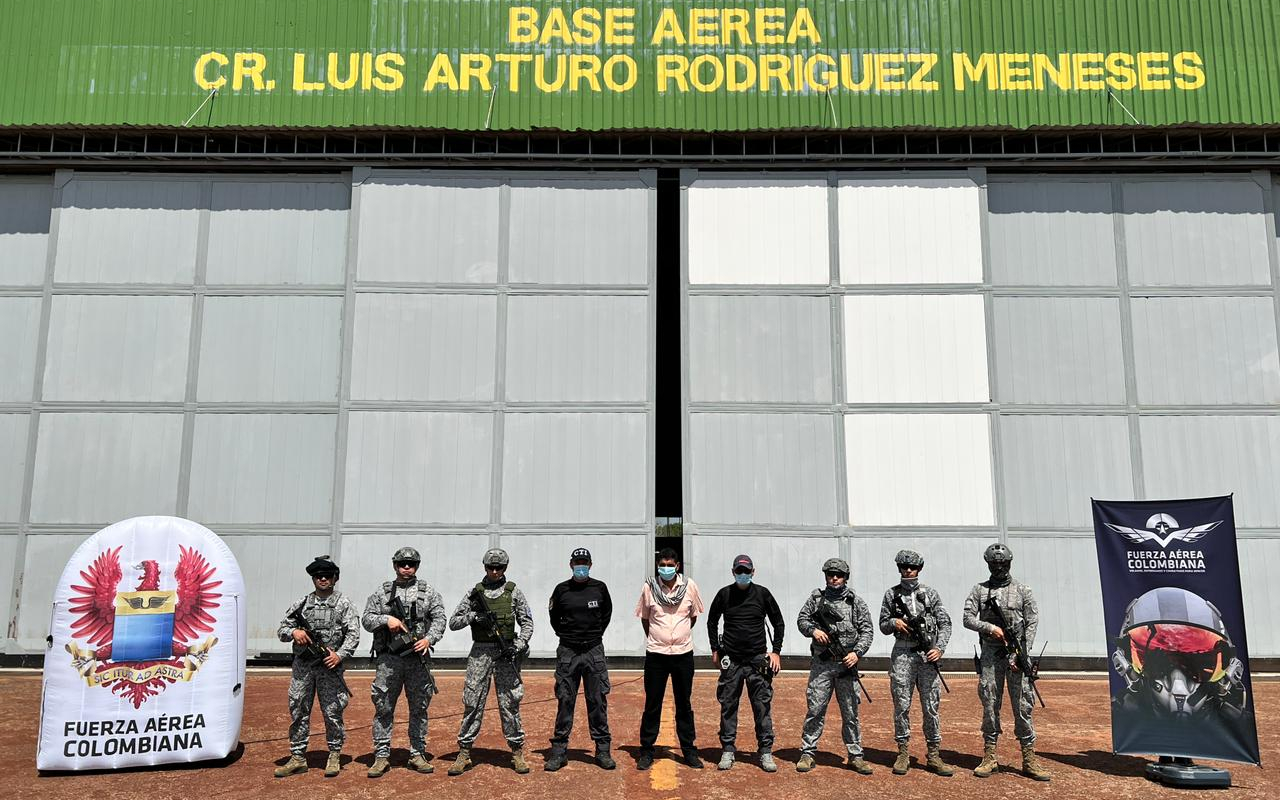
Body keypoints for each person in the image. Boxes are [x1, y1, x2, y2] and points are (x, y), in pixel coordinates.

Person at [962, 543, 1050, 781]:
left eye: (1003, 563)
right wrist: (991, 628)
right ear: (988, 564)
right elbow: (967, 618)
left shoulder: (1023, 590)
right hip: (991, 655)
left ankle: (1029, 757)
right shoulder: (979, 591)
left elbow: (1032, 621)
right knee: (990, 703)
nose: (999, 567)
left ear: (1010, 563)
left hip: (1017, 653)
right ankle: (990, 756)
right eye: (995, 564)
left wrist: (1022, 652)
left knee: (1023, 706)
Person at [448, 547, 535, 775]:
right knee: (473, 701)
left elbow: (527, 623)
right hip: (480, 653)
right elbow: (453, 622)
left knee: (509, 703)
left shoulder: (513, 592)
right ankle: (465, 752)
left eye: (499, 568)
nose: (495, 571)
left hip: (506, 653)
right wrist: (474, 616)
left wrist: (518, 645)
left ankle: (516, 752)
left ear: (505, 568)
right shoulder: (474, 593)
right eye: (490, 567)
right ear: (484, 567)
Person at [361, 546, 446, 778]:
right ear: (395, 565)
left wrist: (429, 639)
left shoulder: (428, 592)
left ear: (417, 566)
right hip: (389, 660)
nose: (406, 567)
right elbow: (366, 619)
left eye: (411, 564)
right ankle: (381, 756)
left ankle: (417, 753)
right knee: (383, 707)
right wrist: (386, 619)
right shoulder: (382, 592)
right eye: (402, 564)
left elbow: (440, 618)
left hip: (418, 660)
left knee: (419, 707)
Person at [274, 555, 361, 778]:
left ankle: (334, 755)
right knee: (298, 709)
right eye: (318, 576)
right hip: (303, 667)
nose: (322, 579)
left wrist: (339, 656)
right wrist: (295, 632)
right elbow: (282, 629)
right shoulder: (302, 604)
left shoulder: (344, 604)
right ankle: (298, 756)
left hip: (329, 668)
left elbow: (353, 634)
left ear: (335, 578)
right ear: (313, 579)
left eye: (327, 576)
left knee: (332, 712)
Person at [878, 549, 955, 776]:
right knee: (901, 705)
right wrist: (894, 622)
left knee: (931, 706)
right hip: (902, 654)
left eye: (912, 567)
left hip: (927, 656)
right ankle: (903, 753)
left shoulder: (930, 594)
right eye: (904, 567)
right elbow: (882, 624)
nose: (908, 570)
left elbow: (945, 623)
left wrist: (939, 649)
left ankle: (933, 754)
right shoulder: (891, 595)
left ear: (919, 569)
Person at [796, 557, 874, 774]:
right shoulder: (816, 599)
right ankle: (808, 752)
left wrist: (856, 654)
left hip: (846, 667)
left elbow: (867, 631)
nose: (834, 578)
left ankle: (855, 755)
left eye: (838, 574)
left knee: (850, 712)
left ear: (845, 577)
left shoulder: (855, 602)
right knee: (816, 709)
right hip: (822, 666)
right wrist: (814, 631)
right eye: (830, 574)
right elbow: (802, 620)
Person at [706, 554, 784, 772]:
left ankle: (765, 752)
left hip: (757, 660)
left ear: (753, 572)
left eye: (746, 571)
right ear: (733, 572)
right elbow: (712, 621)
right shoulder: (724, 594)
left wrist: (776, 652)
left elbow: (778, 622)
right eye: (739, 571)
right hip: (731, 661)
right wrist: (715, 649)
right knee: (728, 706)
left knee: (761, 708)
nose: (743, 575)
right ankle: (728, 749)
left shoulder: (762, 594)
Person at [545, 547, 615, 771]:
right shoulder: (561, 590)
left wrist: (592, 635)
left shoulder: (600, 588)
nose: (581, 566)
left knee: (597, 700)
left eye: (584, 562)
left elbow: (606, 615)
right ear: (571, 565)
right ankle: (559, 752)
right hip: (568, 651)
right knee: (565, 699)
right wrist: (569, 636)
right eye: (577, 562)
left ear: (590, 565)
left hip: (593, 650)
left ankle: (602, 750)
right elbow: (554, 618)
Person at [634, 547, 705, 770]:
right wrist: (659, 637)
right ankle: (646, 750)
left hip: (683, 655)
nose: (665, 568)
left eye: (669, 564)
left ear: (677, 566)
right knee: (652, 703)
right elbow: (645, 619)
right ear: (658, 566)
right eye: (662, 564)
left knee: (684, 703)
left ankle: (689, 751)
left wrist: (678, 636)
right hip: (656, 655)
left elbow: (692, 617)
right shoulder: (649, 587)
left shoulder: (690, 586)